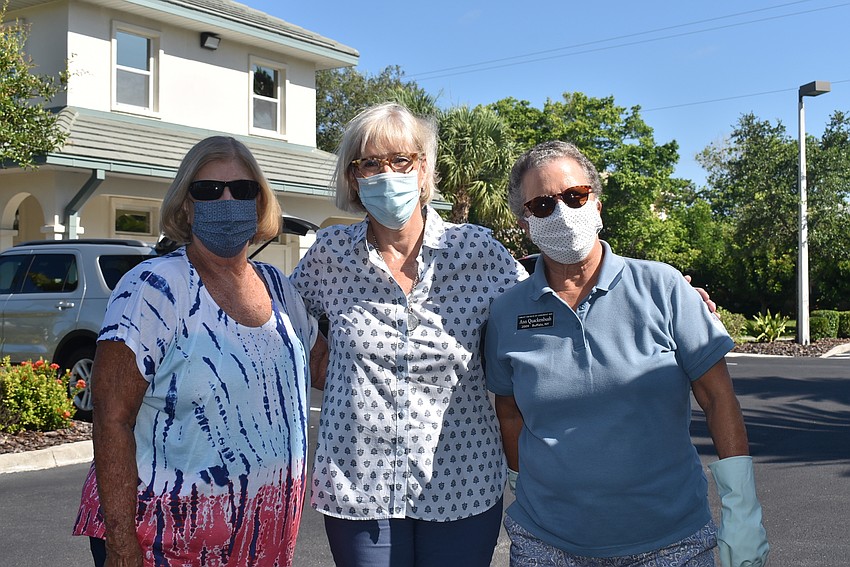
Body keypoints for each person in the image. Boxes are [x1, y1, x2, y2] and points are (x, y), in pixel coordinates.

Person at [484, 140, 770, 567]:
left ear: (597, 204)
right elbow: (509, 411)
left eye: (575, 196)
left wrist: (742, 509)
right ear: (525, 222)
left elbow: (717, 398)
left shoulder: (664, 288)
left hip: (672, 542)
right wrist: (519, 480)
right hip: (546, 543)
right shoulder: (508, 311)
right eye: (542, 205)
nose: (562, 212)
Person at [289, 102, 522, 566]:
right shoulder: (329, 255)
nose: (387, 174)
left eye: (401, 160)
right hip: (359, 487)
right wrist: (327, 366)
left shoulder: (476, 251)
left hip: (463, 481)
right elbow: (281, 319)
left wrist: (668, 292)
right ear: (353, 178)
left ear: (423, 169)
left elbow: (543, 307)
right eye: (370, 163)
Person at [72, 136, 322, 566]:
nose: (227, 199)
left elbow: (322, 367)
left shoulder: (280, 288)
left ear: (260, 203)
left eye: (242, 190)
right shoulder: (154, 288)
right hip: (159, 543)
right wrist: (121, 546)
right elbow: (112, 417)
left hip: (258, 542)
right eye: (209, 190)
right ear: (186, 205)